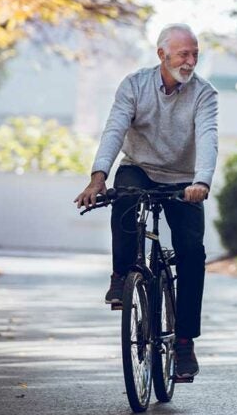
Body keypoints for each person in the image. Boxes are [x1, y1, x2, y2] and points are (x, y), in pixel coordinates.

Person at [74, 23, 217, 379]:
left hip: (184, 179)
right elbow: (114, 129)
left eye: (195, 54)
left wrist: (201, 181)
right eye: (184, 53)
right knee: (123, 197)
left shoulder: (204, 94)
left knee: (191, 253)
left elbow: (209, 136)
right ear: (162, 55)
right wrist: (98, 176)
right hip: (139, 167)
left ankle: (184, 343)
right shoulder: (134, 85)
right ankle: (122, 275)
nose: (190, 61)